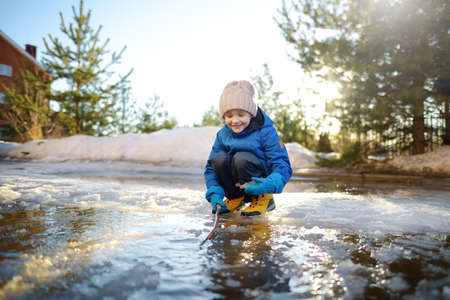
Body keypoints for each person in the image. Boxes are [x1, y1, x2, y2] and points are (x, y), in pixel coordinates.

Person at [204, 80, 292, 216]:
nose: (235, 120)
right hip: (237, 184)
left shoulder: (266, 132)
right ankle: (235, 198)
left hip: (260, 183)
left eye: (240, 114)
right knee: (218, 159)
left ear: (251, 113)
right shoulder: (223, 135)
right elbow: (211, 168)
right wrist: (214, 190)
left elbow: (281, 162)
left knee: (242, 158)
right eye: (229, 115)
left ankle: (263, 199)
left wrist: (271, 183)